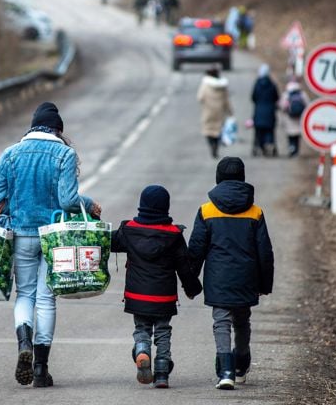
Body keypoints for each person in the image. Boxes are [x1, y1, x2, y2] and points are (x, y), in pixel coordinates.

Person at [0, 102, 102, 388]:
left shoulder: (10, 154)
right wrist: (90, 205)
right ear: (58, 130)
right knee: (47, 298)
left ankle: (23, 341)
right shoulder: (64, 153)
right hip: (55, 238)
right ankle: (40, 369)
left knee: (25, 295)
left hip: (21, 234)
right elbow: (69, 202)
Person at [187, 157, 274, 390]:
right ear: (242, 178)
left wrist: (190, 279)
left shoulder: (206, 210)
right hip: (247, 277)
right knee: (242, 320)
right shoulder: (255, 212)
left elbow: (196, 249)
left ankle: (225, 370)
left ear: (218, 178)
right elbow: (264, 252)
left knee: (221, 321)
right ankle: (241, 363)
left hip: (218, 277)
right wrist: (265, 284)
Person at [111, 185, 202, 388]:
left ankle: (142, 350)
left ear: (142, 206)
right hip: (164, 297)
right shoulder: (174, 235)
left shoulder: (129, 230)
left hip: (137, 295)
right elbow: (184, 268)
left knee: (142, 328)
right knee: (163, 331)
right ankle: (161, 373)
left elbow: (108, 242)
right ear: (166, 207)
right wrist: (192, 288)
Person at [196, 67, 233, 159]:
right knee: (218, 131)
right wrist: (230, 112)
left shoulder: (205, 85)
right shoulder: (223, 86)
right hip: (220, 112)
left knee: (208, 130)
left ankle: (211, 146)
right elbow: (226, 100)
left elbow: (200, 97)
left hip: (208, 111)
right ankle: (216, 147)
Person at [251, 64, 279, 157]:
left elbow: (253, 97)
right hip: (270, 112)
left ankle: (259, 146)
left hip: (258, 111)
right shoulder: (272, 84)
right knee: (269, 130)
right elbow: (276, 97)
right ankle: (269, 145)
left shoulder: (257, 84)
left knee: (259, 131)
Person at [279, 80, 308, 157]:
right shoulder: (302, 94)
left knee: (290, 136)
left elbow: (282, 106)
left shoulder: (286, 95)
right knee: (297, 136)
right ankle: (296, 150)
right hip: (299, 118)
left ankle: (291, 148)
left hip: (289, 119)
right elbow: (308, 105)